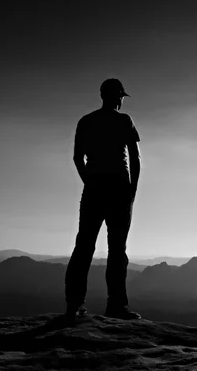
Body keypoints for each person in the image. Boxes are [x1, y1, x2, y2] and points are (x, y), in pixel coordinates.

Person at [64, 78, 142, 320]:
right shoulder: (124, 120)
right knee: (117, 249)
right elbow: (135, 158)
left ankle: (73, 305)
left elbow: (78, 158)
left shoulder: (86, 121)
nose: (121, 101)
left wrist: (88, 181)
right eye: (121, 96)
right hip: (119, 188)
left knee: (84, 246)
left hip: (94, 187)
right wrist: (133, 190)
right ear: (116, 96)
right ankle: (116, 305)